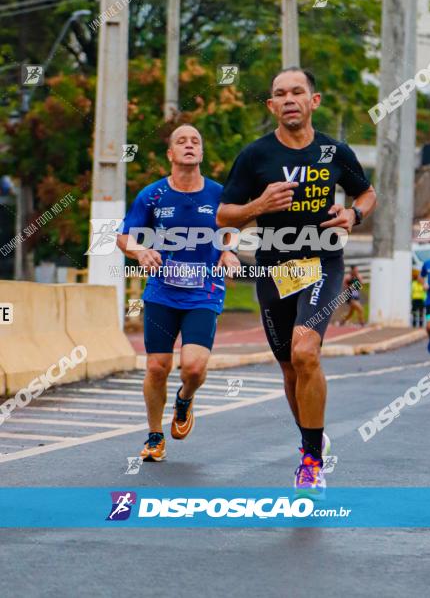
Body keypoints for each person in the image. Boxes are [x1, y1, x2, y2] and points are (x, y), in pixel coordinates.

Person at [217, 67, 376, 496]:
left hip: (323, 261)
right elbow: (224, 214)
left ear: (313, 101)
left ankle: (310, 461)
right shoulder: (254, 156)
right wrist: (259, 203)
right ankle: (311, 436)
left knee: (306, 349)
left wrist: (354, 215)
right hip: (275, 268)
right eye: (280, 94)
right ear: (271, 106)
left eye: (297, 92)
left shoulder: (335, 151)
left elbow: (367, 192)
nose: (289, 99)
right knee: (290, 367)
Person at [117, 124, 240, 462]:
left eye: (195, 141)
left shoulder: (218, 194)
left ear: (201, 153)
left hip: (204, 292)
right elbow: (124, 236)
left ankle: (185, 399)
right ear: (170, 154)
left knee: (194, 369)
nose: (189, 145)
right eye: (181, 141)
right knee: (157, 366)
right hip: (161, 294)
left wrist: (228, 251)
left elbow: (232, 229)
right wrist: (140, 252)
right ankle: (155, 436)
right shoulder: (152, 196)